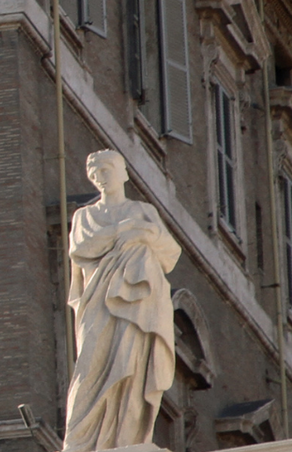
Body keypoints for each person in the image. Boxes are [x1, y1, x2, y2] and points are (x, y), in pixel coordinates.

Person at [64, 150, 180, 452]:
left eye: (108, 169)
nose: (102, 176)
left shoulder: (142, 211)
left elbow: (170, 252)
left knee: (133, 366)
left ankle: (127, 440)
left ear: (124, 174)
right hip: (99, 301)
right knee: (90, 366)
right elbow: (81, 248)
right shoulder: (85, 216)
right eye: (96, 172)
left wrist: (147, 233)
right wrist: (121, 231)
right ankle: (78, 442)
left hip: (141, 303)